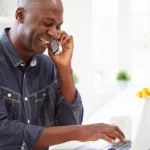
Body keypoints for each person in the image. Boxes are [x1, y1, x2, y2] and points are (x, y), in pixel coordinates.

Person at [0, 0, 126, 149]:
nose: (54, 33)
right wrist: (77, 132)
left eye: (58, 26)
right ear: (20, 16)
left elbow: (69, 124)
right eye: (47, 23)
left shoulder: (47, 67)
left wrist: (64, 68)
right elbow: (4, 132)